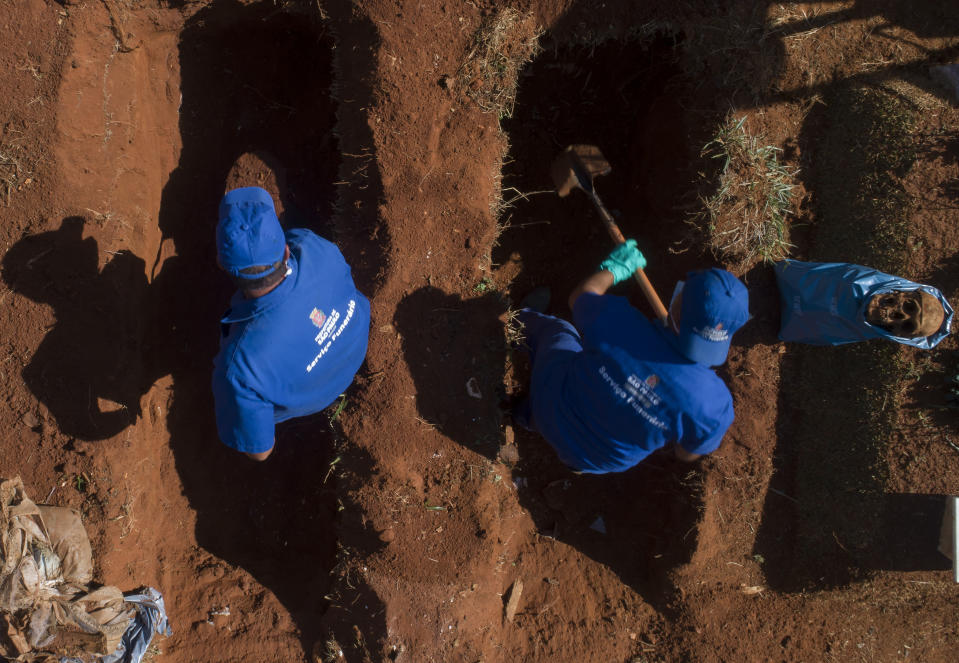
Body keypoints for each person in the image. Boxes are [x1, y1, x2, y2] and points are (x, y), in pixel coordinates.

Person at [514, 240, 750, 474]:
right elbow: (686, 453)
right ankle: (527, 420)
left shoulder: (621, 322)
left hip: (551, 408)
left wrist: (614, 269)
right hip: (592, 461)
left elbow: (581, 297)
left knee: (561, 331)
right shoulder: (714, 406)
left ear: (678, 307)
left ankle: (511, 320)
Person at [212, 186, 370, 460]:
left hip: (310, 400)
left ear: (221, 266)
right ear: (286, 251)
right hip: (355, 347)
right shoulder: (313, 248)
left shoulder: (239, 367)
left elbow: (261, 453)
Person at [772, 259, 952, 348]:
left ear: (900, 335)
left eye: (906, 325)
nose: (896, 315)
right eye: (908, 306)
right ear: (903, 293)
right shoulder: (859, 282)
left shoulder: (865, 328)